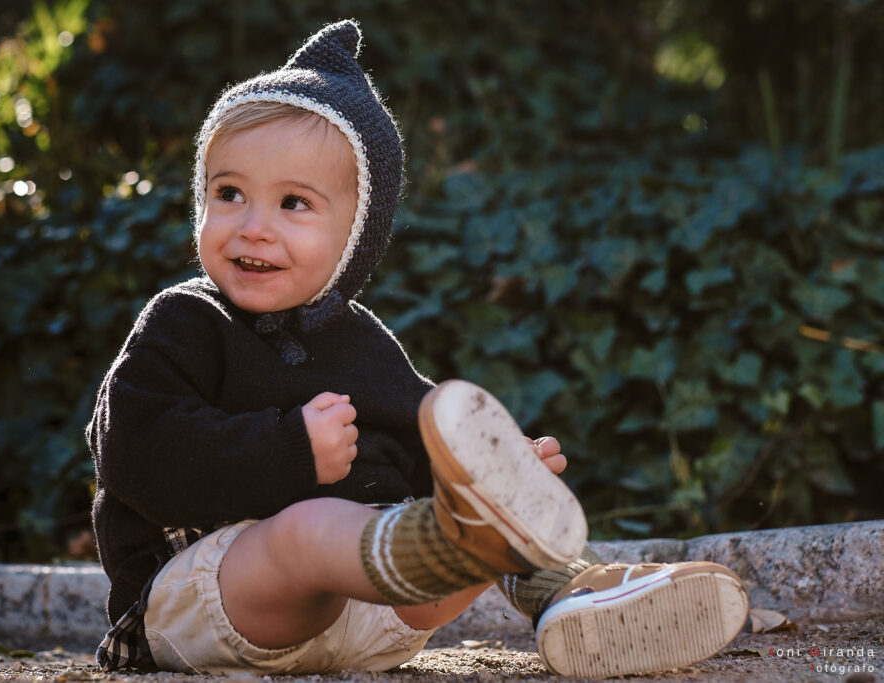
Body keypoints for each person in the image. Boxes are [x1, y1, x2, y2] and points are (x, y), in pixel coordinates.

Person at [87, 19, 749, 679]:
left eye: (293, 203)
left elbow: (423, 443)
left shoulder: (364, 345)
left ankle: (571, 592)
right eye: (228, 193)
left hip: (373, 617)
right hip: (213, 598)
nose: (253, 227)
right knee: (306, 532)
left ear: (356, 235)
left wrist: (497, 474)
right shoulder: (185, 320)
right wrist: (286, 449)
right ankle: (426, 545)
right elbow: (131, 450)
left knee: (476, 508)